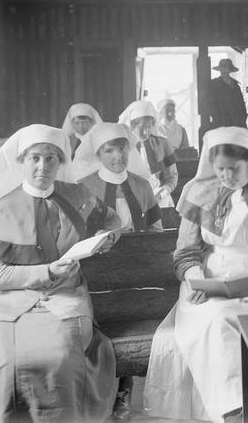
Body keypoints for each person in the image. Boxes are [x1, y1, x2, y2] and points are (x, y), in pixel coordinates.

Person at [143, 127, 248, 421]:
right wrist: (197, 281)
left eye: (234, 169)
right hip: (211, 281)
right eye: (220, 170)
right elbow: (186, 252)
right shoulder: (198, 193)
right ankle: (230, 410)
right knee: (217, 321)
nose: (226, 176)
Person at [0, 124, 121, 422]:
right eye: (35, 158)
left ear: (61, 162)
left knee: (63, 355)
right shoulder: (1, 207)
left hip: (65, 293)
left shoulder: (77, 195)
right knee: (10, 361)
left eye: (52, 158)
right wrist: (48, 270)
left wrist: (107, 238)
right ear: (21, 161)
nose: (43, 166)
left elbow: (111, 219)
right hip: (9, 303)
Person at [70, 122, 162, 420]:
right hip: (96, 272)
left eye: (122, 147)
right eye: (109, 149)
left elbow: (155, 231)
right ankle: (97, 393)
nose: (117, 155)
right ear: (98, 153)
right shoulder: (83, 186)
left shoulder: (142, 185)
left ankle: (125, 387)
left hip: (139, 269)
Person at [119, 100, 178, 209]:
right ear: (132, 125)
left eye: (149, 127)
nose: (146, 132)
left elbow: (172, 178)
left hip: (159, 199)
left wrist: (161, 194)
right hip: (130, 200)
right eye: (142, 128)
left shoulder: (162, 143)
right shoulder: (121, 147)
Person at [208, 58, 247, 129]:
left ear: (230, 70)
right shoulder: (214, 84)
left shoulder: (236, 85)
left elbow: (241, 103)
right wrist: (217, 117)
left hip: (237, 121)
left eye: (226, 68)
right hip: (222, 121)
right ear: (219, 70)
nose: (224, 71)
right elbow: (211, 103)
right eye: (222, 69)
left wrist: (243, 117)